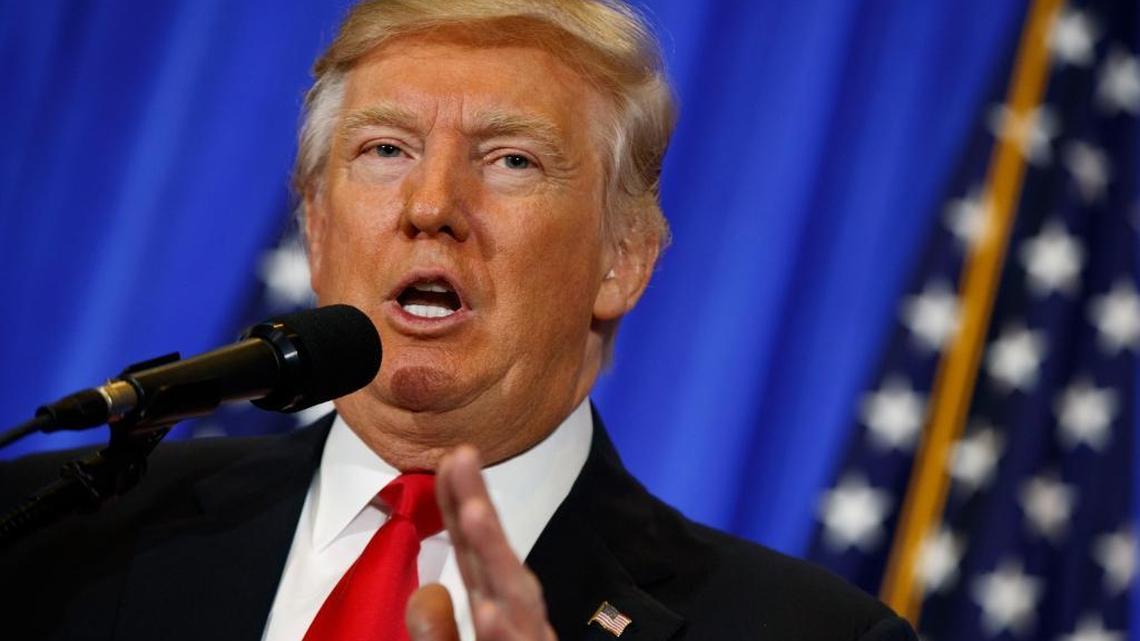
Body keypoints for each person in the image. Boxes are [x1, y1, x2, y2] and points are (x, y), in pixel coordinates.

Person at [0, 1, 917, 640]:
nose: (431, 204)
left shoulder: (809, 632)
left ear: (623, 259)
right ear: (317, 229)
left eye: (512, 160)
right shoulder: (51, 538)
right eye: (386, 149)